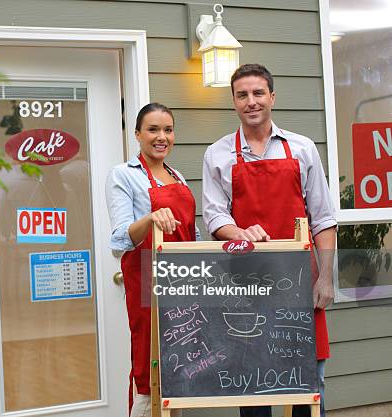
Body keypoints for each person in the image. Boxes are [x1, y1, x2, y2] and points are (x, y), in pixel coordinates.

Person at [202, 64, 337, 417]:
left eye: (258, 93)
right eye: (242, 95)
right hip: (246, 288)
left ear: (272, 97)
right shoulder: (217, 155)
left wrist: (325, 278)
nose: (251, 101)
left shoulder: (303, 149)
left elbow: (322, 219)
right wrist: (240, 232)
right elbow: (215, 216)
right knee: (253, 387)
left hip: (299, 284)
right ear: (233, 101)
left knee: (308, 385)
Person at [106, 103, 198, 417]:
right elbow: (120, 239)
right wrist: (150, 218)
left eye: (168, 130)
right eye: (153, 130)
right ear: (137, 134)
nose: (162, 137)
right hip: (148, 282)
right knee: (149, 366)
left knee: (182, 366)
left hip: (184, 283)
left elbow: (191, 234)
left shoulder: (178, 176)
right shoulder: (123, 175)